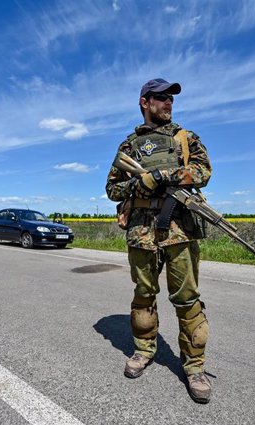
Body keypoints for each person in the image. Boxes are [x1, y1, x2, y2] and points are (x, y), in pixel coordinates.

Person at [106, 78, 213, 403]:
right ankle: (143, 351)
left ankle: (194, 368)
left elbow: (204, 171)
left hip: (179, 232)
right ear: (144, 102)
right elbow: (112, 189)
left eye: (171, 98)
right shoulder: (129, 145)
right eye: (161, 97)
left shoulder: (185, 138)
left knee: (187, 299)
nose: (168, 103)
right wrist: (140, 185)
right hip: (141, 233)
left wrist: (165, 176)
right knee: (143, 295)